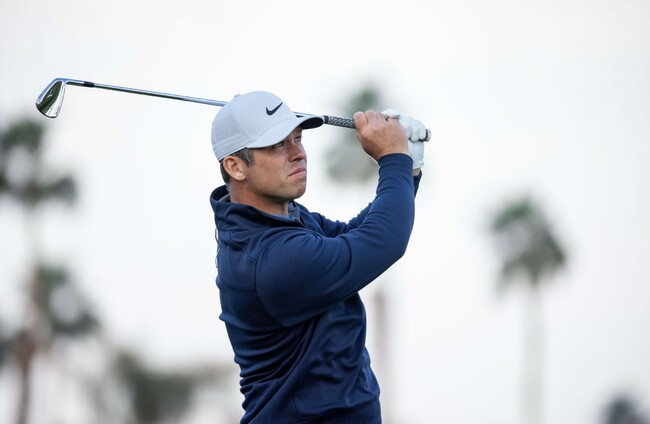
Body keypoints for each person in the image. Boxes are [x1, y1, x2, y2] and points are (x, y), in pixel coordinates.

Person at [209, 90, 426, 424]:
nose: (298, 154)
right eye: (277, 145)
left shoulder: (286, 220)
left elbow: (357, 233)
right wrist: (394, 159)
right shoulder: (271, 259)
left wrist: (407, 170)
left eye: (297, 139)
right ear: (235, 167)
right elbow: (382, 242)